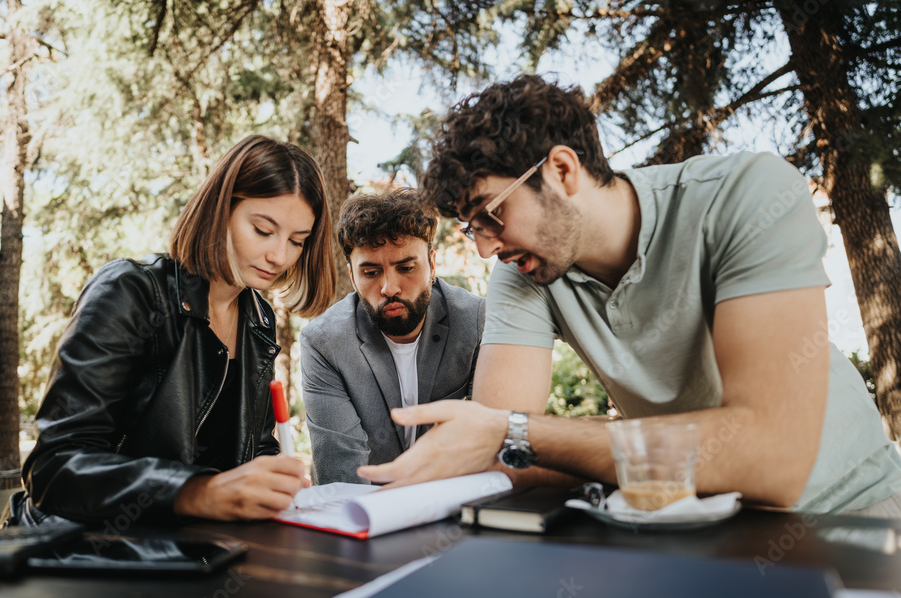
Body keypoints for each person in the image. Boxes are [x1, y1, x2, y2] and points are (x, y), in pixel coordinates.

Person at [357, 75, 901, 518]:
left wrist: (518, 434)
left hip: (855, 511)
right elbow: (503, 451)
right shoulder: (524, 271)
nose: (483, 249)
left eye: (490, 214)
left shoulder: (746, 195)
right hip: (701, 523)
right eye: (470, 227)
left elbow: (772, 460)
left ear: (562, 170)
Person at [18, 135, 336, 525]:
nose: (279, 256)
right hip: (90, 551)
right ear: (221, 210)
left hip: (197, 551)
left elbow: (253, 450)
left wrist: (274, 482)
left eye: (297, 242)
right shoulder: (131, 293)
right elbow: (54, 468)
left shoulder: (259, 319)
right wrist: (196, 492)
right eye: (262, 230)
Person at [300, 188, 485, 483]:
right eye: (371, 273)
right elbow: (341, 467)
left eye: (406, 267)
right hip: (363, 511)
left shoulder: (476, 322)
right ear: (352, 277)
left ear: (432, 264)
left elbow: (487, 445)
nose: (389, 288)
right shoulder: (324, 342)